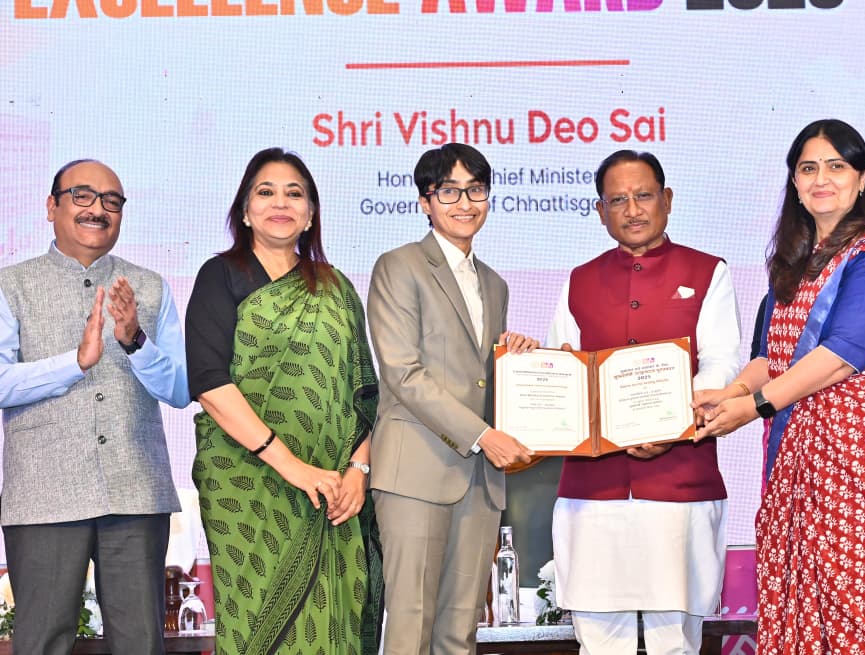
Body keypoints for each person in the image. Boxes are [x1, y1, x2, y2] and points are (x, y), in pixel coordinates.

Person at [695, 119, 865, 655]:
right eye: (808, 168)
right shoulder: (795, 261)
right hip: (800, 468)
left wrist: (754, 408)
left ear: (863, 177)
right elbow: (770, 357)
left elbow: (842, 355)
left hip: (861, 467)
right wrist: (730, 394)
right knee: (804, 607)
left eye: (836, 166)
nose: (821, 179)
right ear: (794, 182)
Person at [185, 148, 382, 655]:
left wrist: (358, 471)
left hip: (334, 489)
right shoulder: (219, 276)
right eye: (265, 192)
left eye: (294, 194)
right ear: (245, 211)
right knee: (255, 624)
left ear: (310, 214)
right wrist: (294, 468)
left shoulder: (336, 288)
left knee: (333, 616)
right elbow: (209, 382)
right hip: (247, 484)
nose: (280, 203)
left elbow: (364, 392)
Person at [545, 149, 742, 654]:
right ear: (600, 211)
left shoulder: (708, 272)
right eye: (617, 200)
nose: (632, 210)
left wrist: (670, 425)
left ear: (667, 200)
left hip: (679, 484)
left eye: (644, 196)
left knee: (674, 641)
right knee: (599, 641)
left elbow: (720, 364)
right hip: (593, 491)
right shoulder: (579, 280)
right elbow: (563, 372)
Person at [0, 159, 189, 654]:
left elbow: (181, 388)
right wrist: (75, 363)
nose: (98, 209)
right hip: (44, 495)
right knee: (41, 642)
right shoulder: (10, 284)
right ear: (51, 206)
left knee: (140, 643)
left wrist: (135, 341)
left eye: (111, 201)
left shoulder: (149, 286)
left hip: (136, 493)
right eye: (82, 196)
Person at [367, 142, 538, 655]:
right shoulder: (399, 266)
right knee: (411, 627)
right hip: (417, 471)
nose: (465, 203)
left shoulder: (495, 284)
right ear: (425, 201)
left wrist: (516, 357)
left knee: (460, 632)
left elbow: (479, 376)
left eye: (476, 190)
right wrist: (484, 435)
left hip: (480, 481)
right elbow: (403, 373)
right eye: (449, 191)